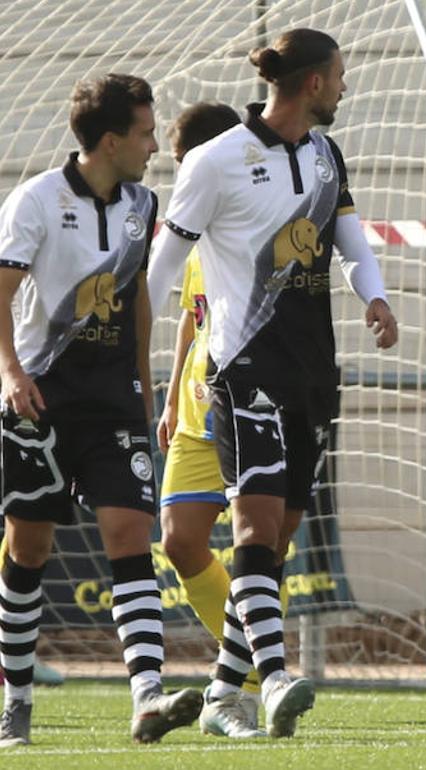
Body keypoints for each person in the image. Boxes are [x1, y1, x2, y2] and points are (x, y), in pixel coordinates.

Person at [146, 29, 398, 738]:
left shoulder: (325, 155)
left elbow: (349, 244)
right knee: (254, 525)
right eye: (342, 76)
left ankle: (225, 693)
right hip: (242, 368)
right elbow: (165, 269)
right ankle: (275, 672)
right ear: (314, 83)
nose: (347, 88)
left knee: (278, 538)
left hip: (313, 371)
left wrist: (374, 297)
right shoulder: (215, 160)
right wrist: (138, 367)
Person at [0, 74, 202, 747]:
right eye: (146, 133)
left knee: (128, 536)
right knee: (29, 549)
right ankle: (16, 703)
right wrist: (10, 374)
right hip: (41, 401)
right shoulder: (36, 200)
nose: (154, 145)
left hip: (115, 400)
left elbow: (138, 294)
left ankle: (146, 695)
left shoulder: (144, 204)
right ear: (111, 140)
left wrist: (146, 384)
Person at [154, 101, 280, 739]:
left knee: (257, 545)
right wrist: (173, 393)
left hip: (244, 403)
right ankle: (260, 668)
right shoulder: (196, 231)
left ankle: (248, 678)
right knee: (178, 539)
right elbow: (189, 314)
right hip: (196, 408)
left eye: (182, 165)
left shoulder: (246, 221)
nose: (181, 177)